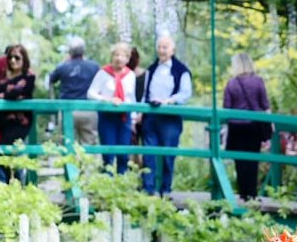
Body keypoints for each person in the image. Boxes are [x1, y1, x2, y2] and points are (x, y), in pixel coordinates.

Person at [141, 35, 193, 196]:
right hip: (151, 116)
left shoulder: (181, 70)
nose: (161, 51)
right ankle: (148, 189)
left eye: (165, 47)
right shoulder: (151, 69)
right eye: (160, 47)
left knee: (168, 155)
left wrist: (169, 101)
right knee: (149, 153)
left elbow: (185, 93)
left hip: (170, 118)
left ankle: (165, 189)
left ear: (172, 50)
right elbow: (145, 92)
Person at [223, 53, 271, 199]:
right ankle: (252, 195)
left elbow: (226, 110)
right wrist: (270, 127)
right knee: (252, 161)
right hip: (253, 127)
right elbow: (265, 106)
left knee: (240, 162)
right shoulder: (258, 82)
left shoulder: (231, 84)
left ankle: (243, 194)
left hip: (236, 128)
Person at [87, 42, 136, 174]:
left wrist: (135, 117)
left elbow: (131, 97)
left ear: (127, 59)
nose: (119, 58)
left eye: (123, 55)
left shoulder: (130, 75)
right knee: (108, 154)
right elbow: (90, 93)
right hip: (107, 117)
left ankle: (122, 182)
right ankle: (106, 183)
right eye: (116, 54)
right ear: (112, 56)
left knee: (123, 154)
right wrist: (106, 100)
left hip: (125, 117)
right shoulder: (103, 73)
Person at [0, 44, 36, 184]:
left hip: (19, 124)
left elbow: (17, 92)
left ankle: (14, 186)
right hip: (2, 124)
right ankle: (3, 188)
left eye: (17, 57)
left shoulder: (29, 76)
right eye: (10, 57)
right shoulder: (5, 78)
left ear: (24, 59)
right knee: (0, 153)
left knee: (7, 152)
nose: (13, 60)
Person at [49, 37, 100, 144]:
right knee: (89, 144)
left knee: (66, 143)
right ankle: (87, 161)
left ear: (70, 51)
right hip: (88, 109)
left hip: (67, 110)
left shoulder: (63, 66)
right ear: (84, 51)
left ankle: (69, 161)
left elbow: (50, 80)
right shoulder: (94, 66)